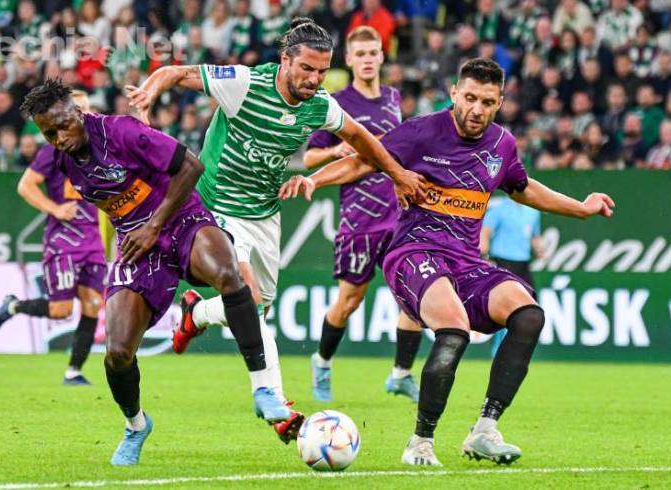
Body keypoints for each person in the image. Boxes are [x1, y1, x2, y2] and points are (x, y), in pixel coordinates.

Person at [279, 58, 614, 466]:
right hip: (413, 252)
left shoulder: (502, 144)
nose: (476, 109)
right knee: (453, 329)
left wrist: (580, 207)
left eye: (487, 102)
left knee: (528, 315)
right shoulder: (422, 132)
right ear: (454, 93)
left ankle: (485, 430)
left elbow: (522, 188)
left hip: (465, 262)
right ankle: (420, 443)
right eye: (469, 97)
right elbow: (365, 159)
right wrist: (314, 178)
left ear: (500, 102)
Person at [125, 18, 426, 442]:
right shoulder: (244, 83)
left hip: (264, 213)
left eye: (322, 72)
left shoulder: (320, 105)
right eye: (307, 69)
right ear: (285, 60)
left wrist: (397, 173)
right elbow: (176, 72)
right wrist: (149, 92)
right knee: (246, 294)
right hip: (216, 205)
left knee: (256, 308)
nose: (314, 79)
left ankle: (198, 313)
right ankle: (273, 399)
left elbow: (360, 137)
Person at [19, 78, 293, 466]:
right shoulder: (61, 160)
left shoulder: (121, 131)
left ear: (79, 112)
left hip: (181, 219)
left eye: (63, 125)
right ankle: (135, 425)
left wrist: (153, 226)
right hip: (137, 246)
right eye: (50, 134)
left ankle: (264, 389)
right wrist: (132, 236)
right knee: (117, 353)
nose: (59, 138)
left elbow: (192, 166)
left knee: (230, 277)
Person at [303, 26, 422, 403]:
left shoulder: (393, 98)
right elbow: (309, 157)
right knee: (350, 301)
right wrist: (333, 152)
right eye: (361, 54)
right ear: (350, 60)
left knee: (417, 294)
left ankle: (401, 374)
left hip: (399, 215)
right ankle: (322, 361)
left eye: (374, 53)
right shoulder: (337, 102)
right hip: (359, 219)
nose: (368, 60)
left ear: (382, 57)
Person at [0, 91, 106, 386]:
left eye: (87, 108)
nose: (83, 114)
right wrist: (55, 208)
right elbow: (25, 185)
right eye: (78, 109)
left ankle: (73, 371)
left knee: (92, 303)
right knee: (60, 310)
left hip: (92, 240)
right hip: (64, 241)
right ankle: (13, 306)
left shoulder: (100, 146)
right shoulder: (54, 148)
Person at [480, 197, 543, 357]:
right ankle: (498, 349)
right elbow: (485, 232)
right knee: (504, 307)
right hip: (503, 262)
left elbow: (534, 235)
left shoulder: (533, 211)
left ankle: (518, 350)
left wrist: (539, 249)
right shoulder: (499, 208)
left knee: (531, 306)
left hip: (522, 263)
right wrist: (486, 257)